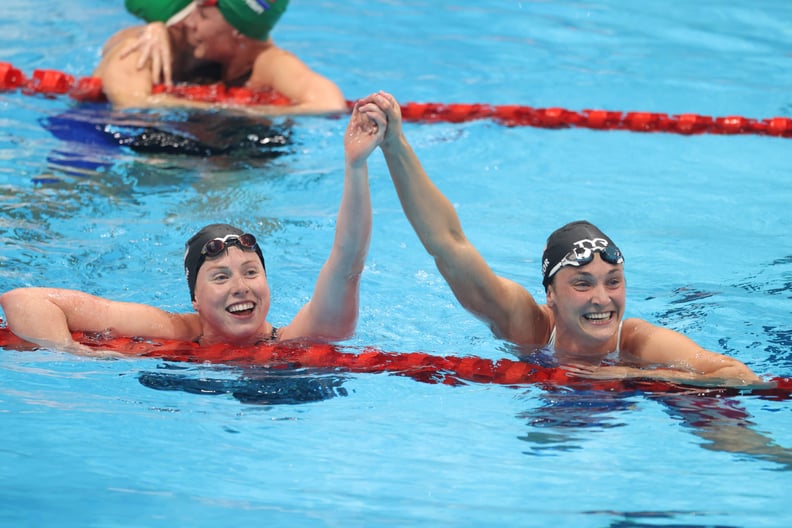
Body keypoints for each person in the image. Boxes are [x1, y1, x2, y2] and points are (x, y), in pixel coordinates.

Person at [364, 91, 765, 388]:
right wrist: (395, 145)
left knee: (711, 413)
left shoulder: (639, 342)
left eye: (613, 281)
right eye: (582, 283)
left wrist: (633, 373)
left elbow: (740, 377)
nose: (602, 299)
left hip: (624, 404)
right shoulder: (527, 325)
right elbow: (448, 246)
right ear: (550, 294)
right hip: (550, 414)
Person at [0, 96, 385, 356]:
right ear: (195, 300)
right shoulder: (171, 329)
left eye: (251, 271)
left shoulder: (302, 336)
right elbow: (25, 301)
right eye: (219, 277)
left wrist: (355, 166)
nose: (241, 286)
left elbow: (347, 262)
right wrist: (74, 355)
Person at [94, 0, 347, 115]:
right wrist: (225, 109)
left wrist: (244, 112)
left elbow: (329, 104)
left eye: (202, 16)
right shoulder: (147, 46)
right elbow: (130, 103)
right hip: (103, 130)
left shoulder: (266, 60)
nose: (190, 22)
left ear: (237, 32)